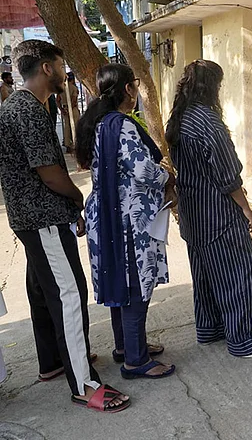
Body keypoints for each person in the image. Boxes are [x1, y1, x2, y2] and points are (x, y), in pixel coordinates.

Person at [0, 40, 129, 412]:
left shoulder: (28, 106)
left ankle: (53, 362)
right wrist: (76, 198)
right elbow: (50, 173)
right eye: (60, 64)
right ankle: (85, 384)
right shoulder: (26, 110)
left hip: (31, 218)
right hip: (43, 218)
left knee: (43, 289)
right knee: (69, 295)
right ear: (46, 68)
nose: (63, 71)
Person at [167, 60, 252, 359]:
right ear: (213, 87)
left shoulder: (180, 118)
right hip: (217, 211)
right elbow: (227, 174)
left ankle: (211, 328)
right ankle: (246, 340)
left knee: (206, 272)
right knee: (238, 271)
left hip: (193, 210)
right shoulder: (207, 121)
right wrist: (246, 208)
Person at [75, 64, 176, 380]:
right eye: (135, 84)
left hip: (109, 219)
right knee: (134, 288)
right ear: (127, 89)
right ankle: (136, 360)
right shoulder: (123, 126)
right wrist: (168, 176)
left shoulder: (99, 124)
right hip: (128, 223)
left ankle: (126, 346)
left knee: (121, 282)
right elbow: (143, 171)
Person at [57, 72, 80, 153]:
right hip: (72, 109)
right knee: (75, 126)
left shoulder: (61, 88)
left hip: (64, 109)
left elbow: (58, 100)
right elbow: (74, 100)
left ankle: (68, 145)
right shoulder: (74, 88)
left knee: (67, 127)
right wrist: (70, 109)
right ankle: (75, 144)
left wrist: (62, 110)